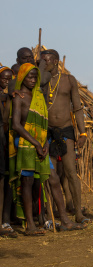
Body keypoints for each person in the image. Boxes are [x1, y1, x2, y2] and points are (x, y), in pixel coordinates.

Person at [9, 63, 84, 234]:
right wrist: (36, 143)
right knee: (27, 183)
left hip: (41, 144)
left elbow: (45, 124)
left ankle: (65, 220)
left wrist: (45, 143)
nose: (33, 80)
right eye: (29, 76)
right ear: (22, 77)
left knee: (54, 180)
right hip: (26, 144)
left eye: (35, 77)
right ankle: (31, 225)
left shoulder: (39, 97)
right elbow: (16, 125)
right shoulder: (18, 97)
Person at [40, 49, 90, 224]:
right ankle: (50, 214)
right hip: (47, 131)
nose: (43, 64)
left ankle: (78, 213)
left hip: (66, 129)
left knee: (70, 172)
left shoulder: (69, 80)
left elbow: (77, 108)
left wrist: (82, 132)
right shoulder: (40, 82)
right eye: (41, 61)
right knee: (49, 173)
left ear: (55, 61)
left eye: (45, 61)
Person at [0, 65, 17, 238]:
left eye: (8, 78)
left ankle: (5, 220)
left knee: (6, 181)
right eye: (3, 78)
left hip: (4, 142)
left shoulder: (7, 97)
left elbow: (6, 120)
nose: (6, 81)